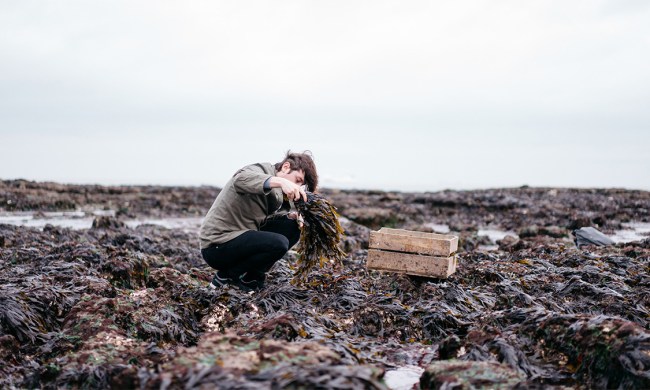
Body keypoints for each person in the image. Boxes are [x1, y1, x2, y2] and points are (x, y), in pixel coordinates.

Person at [199, 151, 318, 291]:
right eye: (297, 180)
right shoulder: (259, 170)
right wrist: (282, 181)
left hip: (240, 238)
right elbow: (240, 179)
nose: (297, 186)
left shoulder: (279, 194)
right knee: (279, 243)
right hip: (217, 246)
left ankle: (252, 279)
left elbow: (264, 219)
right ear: (286, 167)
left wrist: (291, 216)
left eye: (301, 184)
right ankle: (226, 277)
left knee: (292, 227)